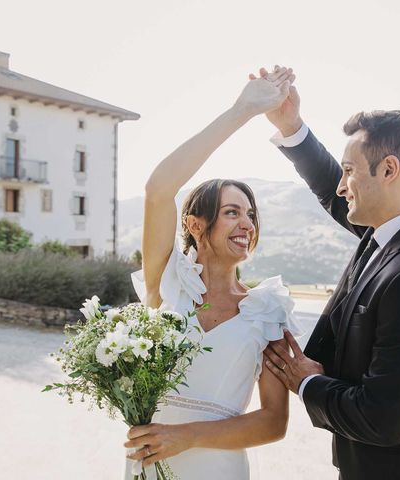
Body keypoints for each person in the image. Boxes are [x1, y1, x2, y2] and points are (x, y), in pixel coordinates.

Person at [259, 67, 400, 479]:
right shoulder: (396, 233)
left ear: (389, 170)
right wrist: (291, 127)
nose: (342, 186)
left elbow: (380, 418)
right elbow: (329, 189)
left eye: (350, 171)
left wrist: (306, 382)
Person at [124, 68, 300, 479]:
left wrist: (186, 436)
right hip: (149, 465)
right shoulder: (166, 284)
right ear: (196, 224)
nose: (247, 224)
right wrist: (242, 110)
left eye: (251, 214)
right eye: (231, 212)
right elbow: (158, 189)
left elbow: (274, 422)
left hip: (219, 468)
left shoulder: (267, 310)